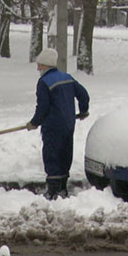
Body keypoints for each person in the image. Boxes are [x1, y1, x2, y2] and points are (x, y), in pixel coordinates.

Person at [27, 48, 90, 199]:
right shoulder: (67, 77)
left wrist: (34, 123)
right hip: (68, 124)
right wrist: (83, 111)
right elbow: (83, 95)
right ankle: (62, 188)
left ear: (45, 65)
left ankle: (53, 191)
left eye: (39, 65)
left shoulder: (44, 82)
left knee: (52, 155)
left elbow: (42, 107)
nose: (38, 68)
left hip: (53, 126)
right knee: (65, 153)